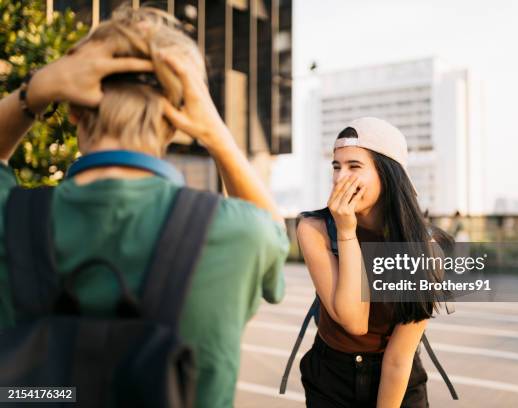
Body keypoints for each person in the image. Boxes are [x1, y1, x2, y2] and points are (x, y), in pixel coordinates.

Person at [0, 6, 289, 407]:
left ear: (71, 107)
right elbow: (275, 235)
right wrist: (218, 135)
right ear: (179, 119)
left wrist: (34, 92)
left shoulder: (10, 218)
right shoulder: (241, 233)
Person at [297, 118, 447, 407]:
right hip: (331, 377)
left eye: (354, 166)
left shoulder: (425, 250)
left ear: (387, 174)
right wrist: (346, 232)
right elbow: (354, 320)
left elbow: (398, 358)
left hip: (398, 379)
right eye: (336, 166)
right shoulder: (314, 229)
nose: (341, 178)